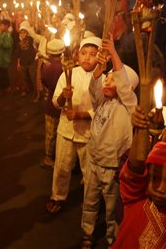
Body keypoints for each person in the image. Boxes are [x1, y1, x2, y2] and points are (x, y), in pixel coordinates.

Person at [81, 36, 138, 247]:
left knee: (113, 211)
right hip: (94, 161)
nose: (107, 81)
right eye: (107, 78)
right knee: (89, 203)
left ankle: (114, 242)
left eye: (113, 79)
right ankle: (86, 236)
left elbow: (123, 85)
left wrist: (113, 52)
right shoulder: (102, 101)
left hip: (113, 167)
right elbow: (93, 90)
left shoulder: (129, 106)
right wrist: (100, 68)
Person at [46, 36, 101, 214]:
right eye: (84, 53)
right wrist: (64, 96)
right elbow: (56, 102)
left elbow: (102, 109)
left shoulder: (102, 78)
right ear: (77, 56)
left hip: (88, 133)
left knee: (89, 171)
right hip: (66, 130)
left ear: (100, 57)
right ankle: (58, 196)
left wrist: (80, 115)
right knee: (62, 166)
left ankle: (90, 202)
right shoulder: (68, 74)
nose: (87, 57)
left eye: (93, 54)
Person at [112, 141, 166, 248]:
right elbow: (135, 168)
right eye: (154, 178)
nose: (160, 189)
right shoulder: (137, 199)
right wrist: (141, 129)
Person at [40, 39, 64, 168]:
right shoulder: (64, 67)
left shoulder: (45, 65)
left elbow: (43, 81)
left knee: (50, 133)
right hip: (62, 101)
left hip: (50, 101)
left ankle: (48, 157)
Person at [0, 19, 13, 92]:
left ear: (6, 26)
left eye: (1, 25)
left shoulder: (7, 35)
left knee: (3, 74)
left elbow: (7, 45)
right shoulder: (1, 33)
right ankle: (2, 88)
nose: (0, 27)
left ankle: (5, 88)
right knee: (0, 74)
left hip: (3, 58)